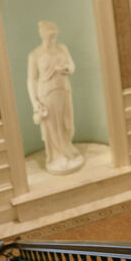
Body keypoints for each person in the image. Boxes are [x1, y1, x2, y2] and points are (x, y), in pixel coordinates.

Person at [27, 21, 84, 175]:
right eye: (49, 32)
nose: (52, 35)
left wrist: (67, 69)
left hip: (64, 89)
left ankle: (67, 147)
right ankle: (58, 156)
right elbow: (31, 80)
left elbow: (72, 66)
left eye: (54, 32)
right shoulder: (35, 54)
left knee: (67, 122)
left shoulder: (62, 48)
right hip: (46, 93)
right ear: (42, 33)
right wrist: (34, 103)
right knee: (53, 125)